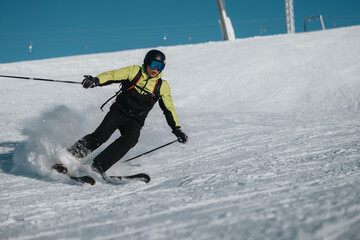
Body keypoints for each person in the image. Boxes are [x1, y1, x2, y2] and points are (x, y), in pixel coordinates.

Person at [67, 49, 188, 174]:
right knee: (101, 136)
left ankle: (98, 166)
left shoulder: (162, 86)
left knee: (131, 139)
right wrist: (96, 80)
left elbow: (169, 109)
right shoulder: (134, 71)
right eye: (153, 65)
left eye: (160, 67)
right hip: (119, 111)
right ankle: (69, 156)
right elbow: (113, 75)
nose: (156, 69)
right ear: (146, 63)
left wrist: (177, 129)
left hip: (136, 120)